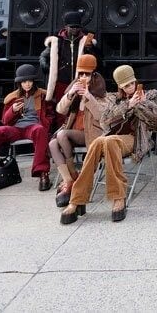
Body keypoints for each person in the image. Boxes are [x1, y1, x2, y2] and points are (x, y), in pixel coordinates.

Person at [60, 65, 157, 224]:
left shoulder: (150, 96)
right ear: (120, 87)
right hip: (112, 140)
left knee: (107, 141)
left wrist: (143, 104)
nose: (130, 87)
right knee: (101, 140)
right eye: (126, 85)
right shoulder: (116, 100)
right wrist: (128, 106)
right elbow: (104, 122)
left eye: (132, 83)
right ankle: (78, 200)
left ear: (135, 81)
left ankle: (114, 197)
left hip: (136, 140)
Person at [0, 64, 53, 192]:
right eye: (24, 82)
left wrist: (46, 123)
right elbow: (5, 120)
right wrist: (12, 110)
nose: (27, 84)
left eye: (30, 81)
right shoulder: (12, 97)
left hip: (34, 126)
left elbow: (51, 115)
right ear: (19, 83)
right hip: (16, 128)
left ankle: (42, 173)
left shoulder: (42, 95)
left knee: (40, 130)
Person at [50, 54, 107, 207]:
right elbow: (60, 110)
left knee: (62, 134)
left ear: (93, 74)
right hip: (72, 132)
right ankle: (70, 180)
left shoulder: (99, 90)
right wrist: (70, 95)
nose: (83, 77)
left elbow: (102, 116)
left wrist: (89, 96)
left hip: (90, 133)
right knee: (53, 144)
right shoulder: (73, 87)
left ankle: (73, 177)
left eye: (86, 74)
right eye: (80, 73)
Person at [41, 11, 103, 116]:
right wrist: (50, 68)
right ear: (66, 27)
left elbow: (97, 61)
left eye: (77, 27)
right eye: (72, 27)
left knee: (78, 109)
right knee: (61, 109)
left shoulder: (86, 40)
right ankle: (60, 130)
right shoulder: (57, 41)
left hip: (80, 81)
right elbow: (44, 58)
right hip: (61, 81)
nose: (74, 29)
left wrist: (90, 49)